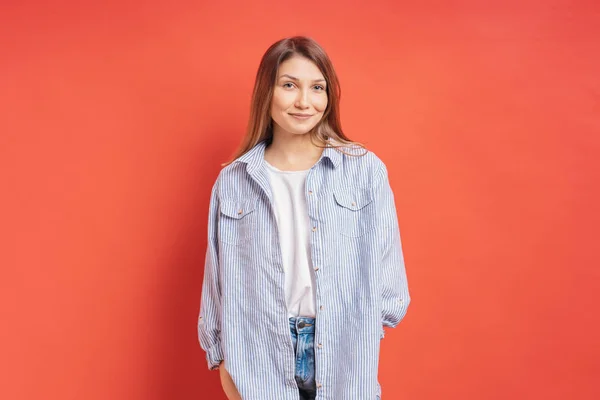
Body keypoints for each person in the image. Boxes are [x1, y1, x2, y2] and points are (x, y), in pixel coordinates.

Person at [197, 36, 410, 400]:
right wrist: (224, 362)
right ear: (267, 92)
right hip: (256, 352)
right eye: (289, 85)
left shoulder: (363, 172)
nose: (304, 101)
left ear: (329, 98)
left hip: (343, 349)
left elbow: (388, 272)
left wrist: (362, 334)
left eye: (317, 88)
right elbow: (217, 282)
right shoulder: (234, 181)